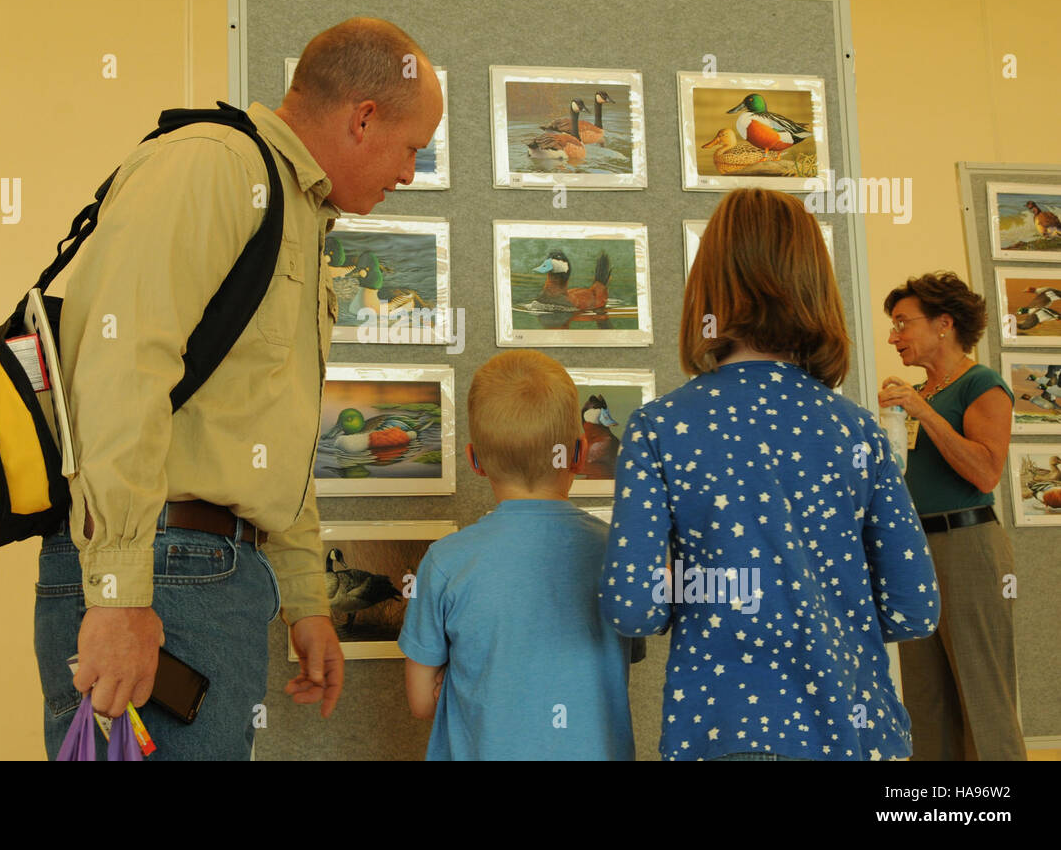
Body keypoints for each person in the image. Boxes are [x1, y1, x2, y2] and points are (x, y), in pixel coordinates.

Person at [33, 17, 444, 760]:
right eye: (413, 148)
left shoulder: (296, 212)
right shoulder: (214, 168)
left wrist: (304, 600)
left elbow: (266, 428)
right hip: (161, 571)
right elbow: (118, 369)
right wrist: (121, 595)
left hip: (204, 575)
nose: (411, 172)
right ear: (363, 118)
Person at [600, 187, 940, 761]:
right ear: (815, 286)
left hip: (722, 729)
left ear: (706, 289)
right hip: (857, 731)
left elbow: (632, 605)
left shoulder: (660, 428)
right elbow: (914, 607)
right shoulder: (857, 431)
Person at [398, 350, 634, 760]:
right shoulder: (617, 552)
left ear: (475, 461)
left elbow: (421, 702)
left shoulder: (446, 562)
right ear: (579, 455)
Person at [880, 272, 1027, 760]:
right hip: (917, 550)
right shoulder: (926, 394)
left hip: (968, 547)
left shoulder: (981, 383)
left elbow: (985, 472)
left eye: (903, 323)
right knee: (925, 698)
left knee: (983, 694)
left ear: (944, 323)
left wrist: (923, 411)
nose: (893, 336)